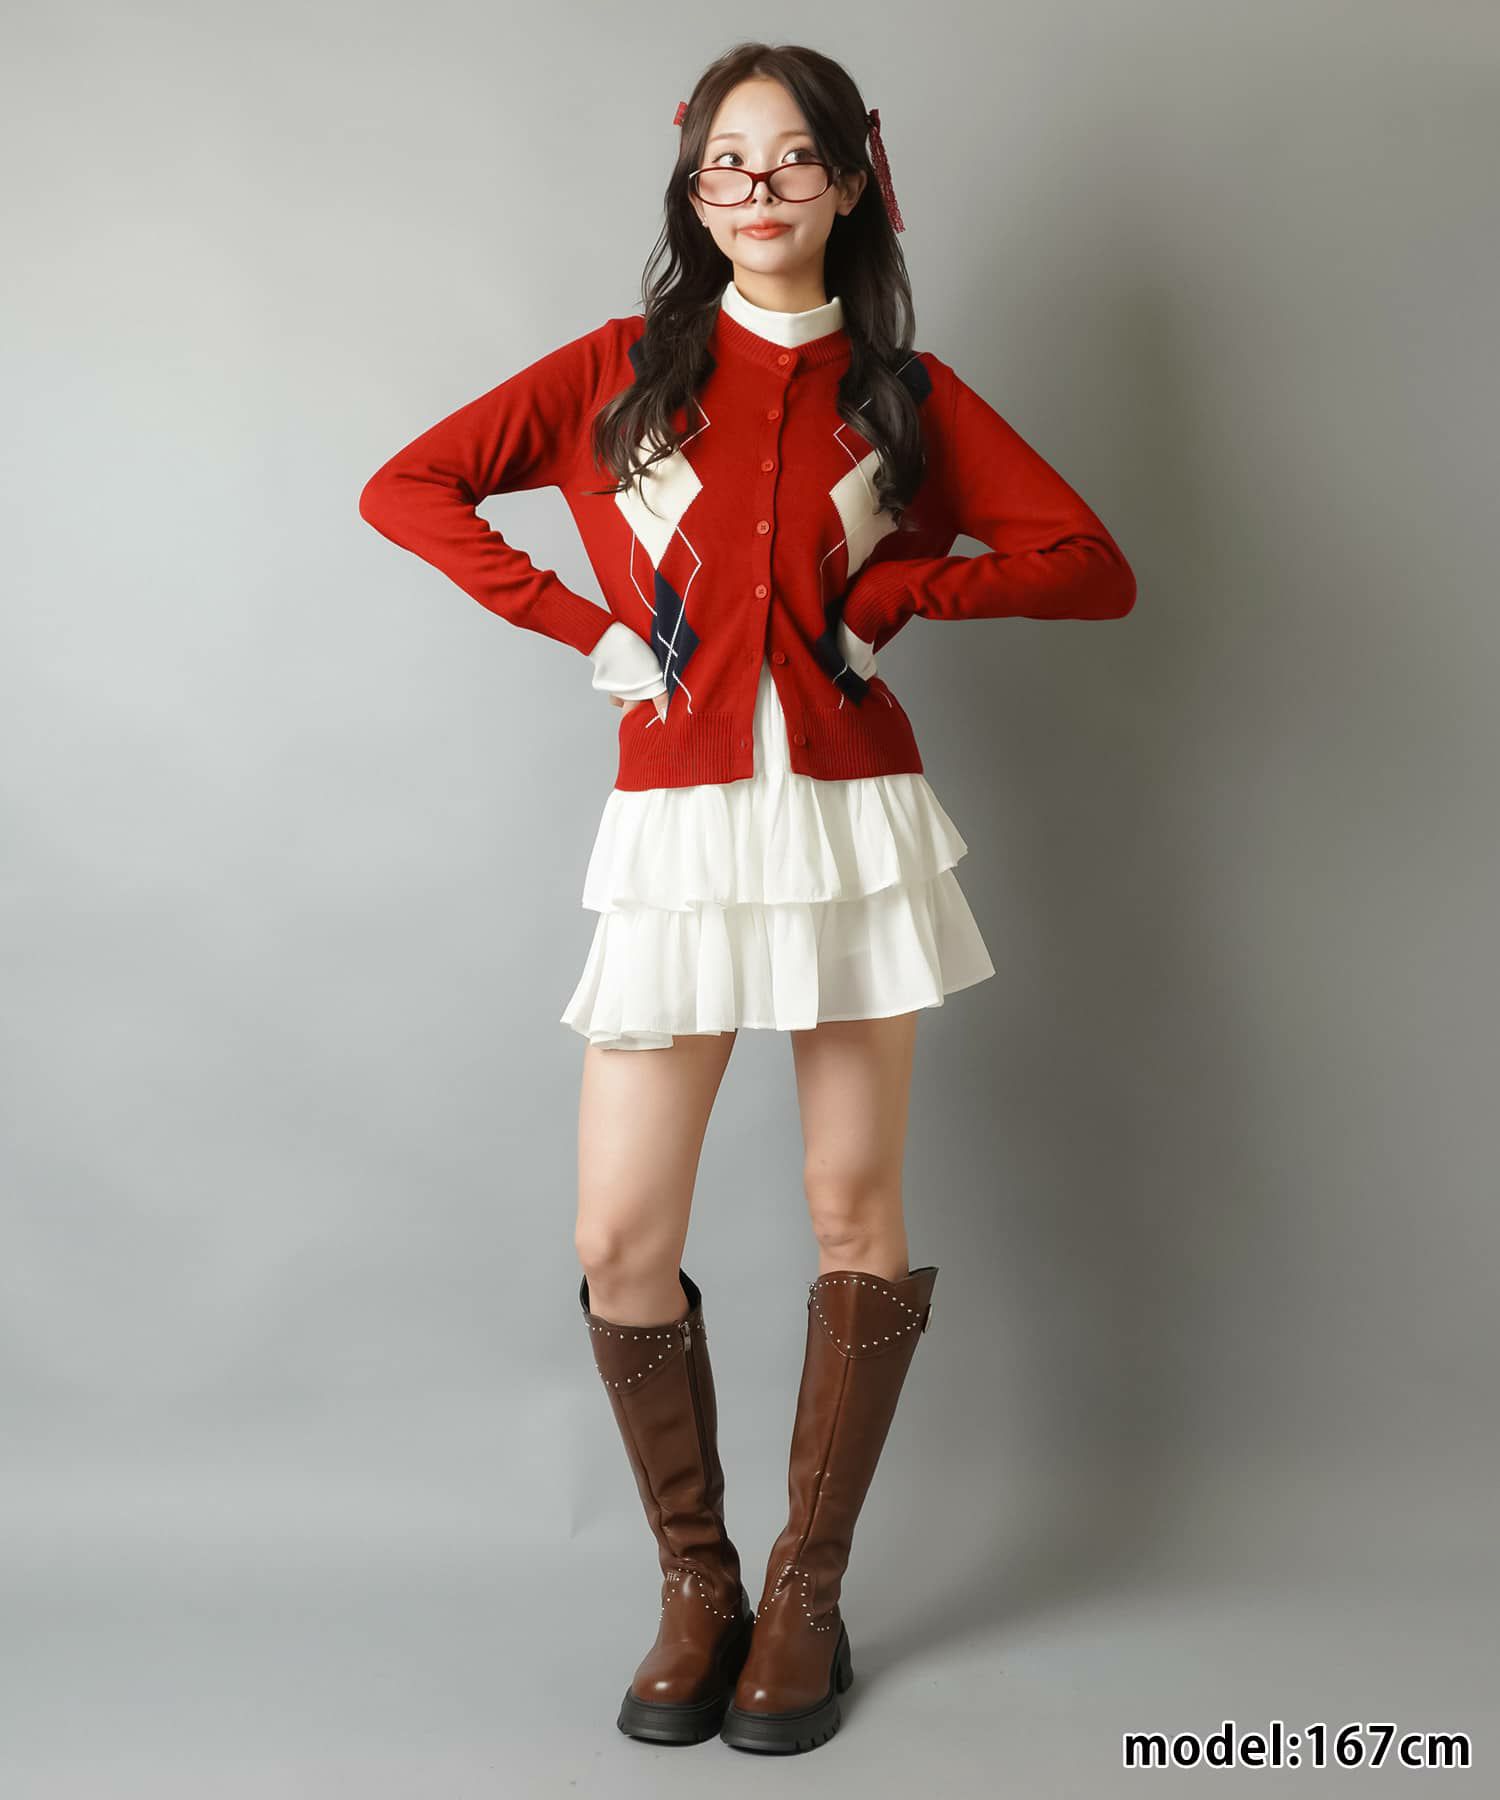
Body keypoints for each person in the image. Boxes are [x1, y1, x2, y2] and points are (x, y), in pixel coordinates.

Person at [358, 41, 1135, 1757]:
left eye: (792, 160)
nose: (757, 188)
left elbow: (1094, 567)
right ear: (692, 186)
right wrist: (585, 630)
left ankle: (805, 1594)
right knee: (619, 1240)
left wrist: (906, 589)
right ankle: (695, 1582)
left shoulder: (902, 397)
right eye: (727, 161)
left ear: (851, 182)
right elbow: (404, 486)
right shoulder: (615, 375)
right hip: (679, 834)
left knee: (856, 1210)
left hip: (852, 827)